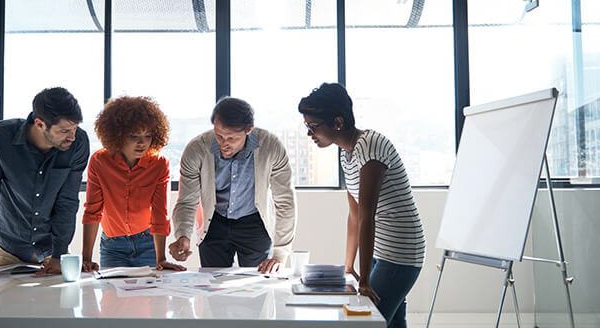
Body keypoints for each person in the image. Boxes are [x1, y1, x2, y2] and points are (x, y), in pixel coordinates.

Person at [298, 83, 425, 328]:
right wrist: (349, 265)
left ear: (337, 122)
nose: (309, 134)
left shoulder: (370, 146)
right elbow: (354, 215)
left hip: (400, 253)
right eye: (307, 127)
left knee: (368, 322)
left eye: (313, 127)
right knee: (392, 322)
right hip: (382, 251)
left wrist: (364, 280)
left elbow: (368, 216)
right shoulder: (347, 153)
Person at [0, 87, 90, 278]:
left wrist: (59, 255)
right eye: (65, 131)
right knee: (5, 307)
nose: (72, 137)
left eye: (75, 128)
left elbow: (67, 201)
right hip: (6, 249)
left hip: (52, 251)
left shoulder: (78, 144)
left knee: (56, 306)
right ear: (40, 124)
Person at [168, 97, 296, 273]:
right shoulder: (196, 149)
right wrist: (182, 234)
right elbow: (187, 200)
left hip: (255, 223)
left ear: (248, 130)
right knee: (213, 287)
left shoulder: (271, 147)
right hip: (214, 223)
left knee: (256, 287)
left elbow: (285, 201)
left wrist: (280, 253)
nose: (223, 143)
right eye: (219, 136)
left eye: (231, 138)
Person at [81, 96, 184, 272]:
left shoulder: (159, 163)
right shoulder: (99, 161)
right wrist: (85, 259)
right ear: (118, 135)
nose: (142, 143)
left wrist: (161, 259)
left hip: (148, 243)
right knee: (112, 298)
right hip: (113, 246)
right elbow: (93, 211)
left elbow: (160, 214)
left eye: (148, 136)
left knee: (153, 298)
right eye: (134, 136)